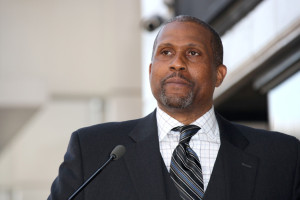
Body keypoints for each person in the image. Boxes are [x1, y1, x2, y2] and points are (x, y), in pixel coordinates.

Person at [48, 15, 300, 200]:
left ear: (219, 74)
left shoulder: (281, 156)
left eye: (192, 53)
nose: (176, 63)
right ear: (150, 70)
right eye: (165, 52)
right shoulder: (93, 150)